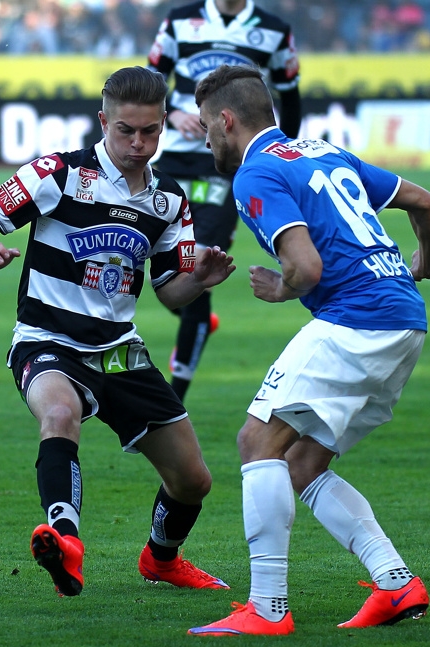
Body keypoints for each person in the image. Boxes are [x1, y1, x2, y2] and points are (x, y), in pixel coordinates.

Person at [0, 66, 236, 597]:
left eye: (151, 131)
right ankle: (65, 540)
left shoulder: (169, 200)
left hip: (118, 350)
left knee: (193, 480)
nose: (139, 143)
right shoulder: (56, 174)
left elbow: (168, 292)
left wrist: (200, 280)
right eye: (126, 130)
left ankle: (161, 559)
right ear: (103, 121)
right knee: (60, 414)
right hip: (47, 341)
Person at [188, 64, 430, 636]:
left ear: (226, 120)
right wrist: (429, 263)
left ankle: (267, 608)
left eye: (206, 126)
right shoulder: (325, 152)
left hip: (356, 319)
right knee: (301, 462)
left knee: (258, 441)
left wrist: (281, 288)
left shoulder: (254, 175)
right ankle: (395, 583)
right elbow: (425, 203)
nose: (204, 138)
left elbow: (305, 267)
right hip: (404, 319)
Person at [147, 0, 301, 401]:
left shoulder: (274, 30)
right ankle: (196, 321)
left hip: (226, 165)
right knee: (157, 268)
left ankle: (173, 397)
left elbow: (290, 98)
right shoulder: (180, 21)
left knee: (195, 270)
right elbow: (151, 79)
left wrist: (279, 157)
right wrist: (176, 109)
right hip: (177, 159)